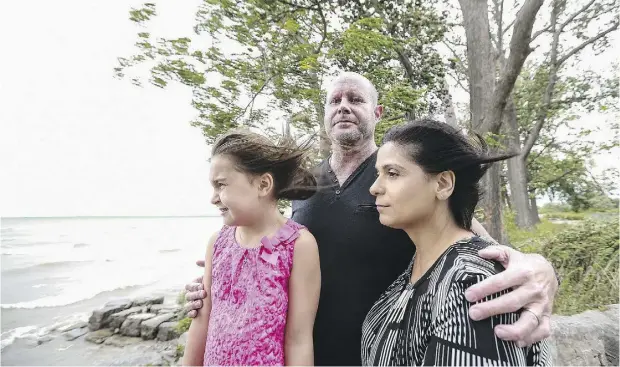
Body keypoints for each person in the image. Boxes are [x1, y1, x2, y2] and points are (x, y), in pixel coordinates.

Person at [184, 72, 559, 366]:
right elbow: (268, 243)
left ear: (376, 113)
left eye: (356, 99)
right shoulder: (302, 185)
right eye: (335, 100)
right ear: (325, 113)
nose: (343, 106)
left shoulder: (404, 176)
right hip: (311, 354)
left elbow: (466, 238)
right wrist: (217, 285)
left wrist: (537, 266)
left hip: (388, 349)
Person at [361, 119, 550, 365]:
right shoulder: (421, 264)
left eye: (392, 173)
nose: (374, 188)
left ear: (443, 184)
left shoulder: (473, 283)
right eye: (379, 174)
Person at [182, 130, 321, 366]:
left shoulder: (299, 245)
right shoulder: (217, 243)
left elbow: (298, 341)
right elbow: (201, 323)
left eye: (221, 185)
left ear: (263, 184)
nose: (213, 198)